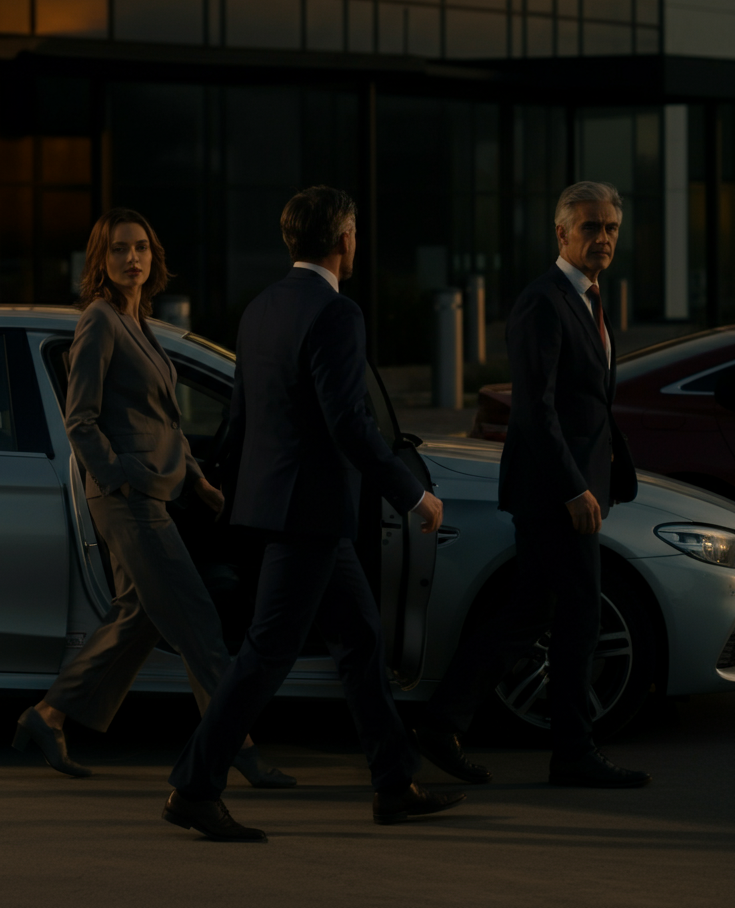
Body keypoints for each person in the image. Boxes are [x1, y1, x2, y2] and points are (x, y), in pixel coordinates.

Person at [163, 186, 462, 843]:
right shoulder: (337, 314)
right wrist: (411, 493)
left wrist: (228, 489)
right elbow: (347, 424)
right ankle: (194, 787)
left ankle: (393, 783)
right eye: (356, 233)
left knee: (360, 639)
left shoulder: (261, 308)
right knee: (266, 653)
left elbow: (240, 414)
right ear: (344, 239)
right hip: (310, 512)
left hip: (284, 506)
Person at [12, 208, 294, 789]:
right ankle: (235, 746)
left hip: (156, 490)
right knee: (197, 623)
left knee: (137, 616)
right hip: (130, 500)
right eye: (118, 250)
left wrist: (197, 481)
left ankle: (48, 715)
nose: (131, 259)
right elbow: (80, 419)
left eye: (140, 248)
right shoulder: (100, 322)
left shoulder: (138, 323)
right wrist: (118, 476)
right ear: (101, 260)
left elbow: (161, 419)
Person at [414, 181, 650, 790]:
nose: (602, 238)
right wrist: (574, 488)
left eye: (611, 229)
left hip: (574, 488)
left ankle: (442, 722)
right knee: (576, 619)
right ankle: (572, 751)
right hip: (554, 493)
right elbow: (534, 411)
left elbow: (586, 401)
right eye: (591, 227)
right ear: (561, 233)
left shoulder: (590, 300)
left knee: (531, 613)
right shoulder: (543, 302)